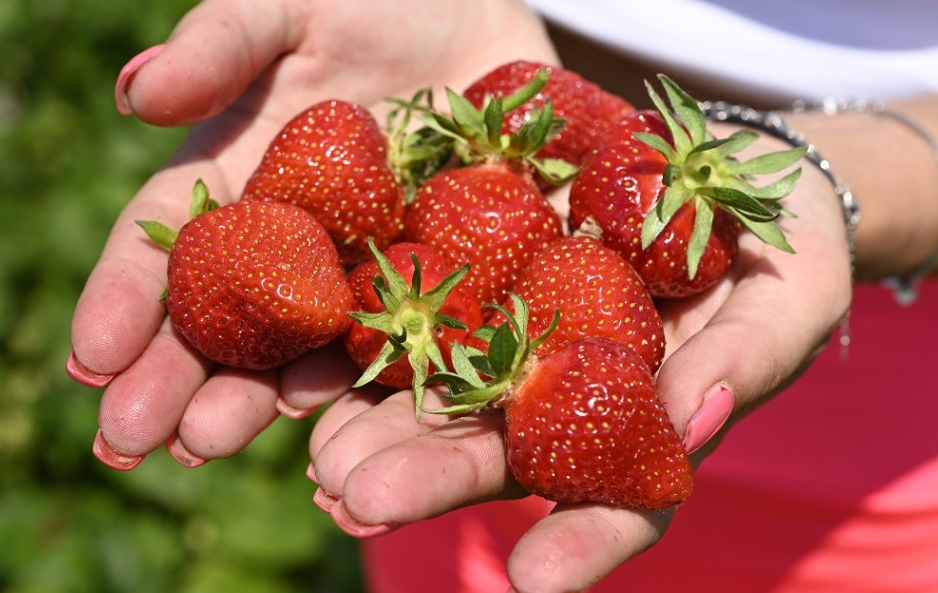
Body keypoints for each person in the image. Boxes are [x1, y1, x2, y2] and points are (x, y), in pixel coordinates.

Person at [66, 0, 938, 591]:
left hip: (896, 443)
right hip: (475, 424)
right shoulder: (466, 295)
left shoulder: (613, 225)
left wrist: (841, 170)